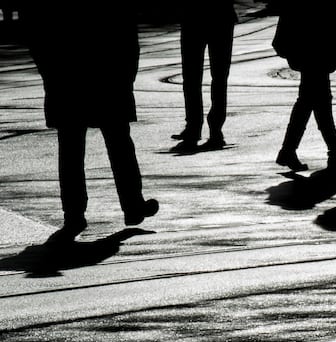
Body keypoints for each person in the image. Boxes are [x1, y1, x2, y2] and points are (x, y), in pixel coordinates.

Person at [24, 1, 158, 244]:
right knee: (118, 142)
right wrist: (127, 75)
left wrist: (49, 73)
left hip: (67, 79)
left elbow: (37, 32)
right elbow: (127, 33)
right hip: (106, 76)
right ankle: (132, 205)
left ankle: (74, 213)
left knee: (72, 148)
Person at [271, 0, 336, 172]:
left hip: (306, 48)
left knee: (311, 101)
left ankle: (290, 150)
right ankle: (335, 152)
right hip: (314, 47)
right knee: (317, 101)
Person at [171, 0, 238, 152]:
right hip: (220, 17)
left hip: (194, 17)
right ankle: (213, 129)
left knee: (192, 77)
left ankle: (195, 127)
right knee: (218, 77)